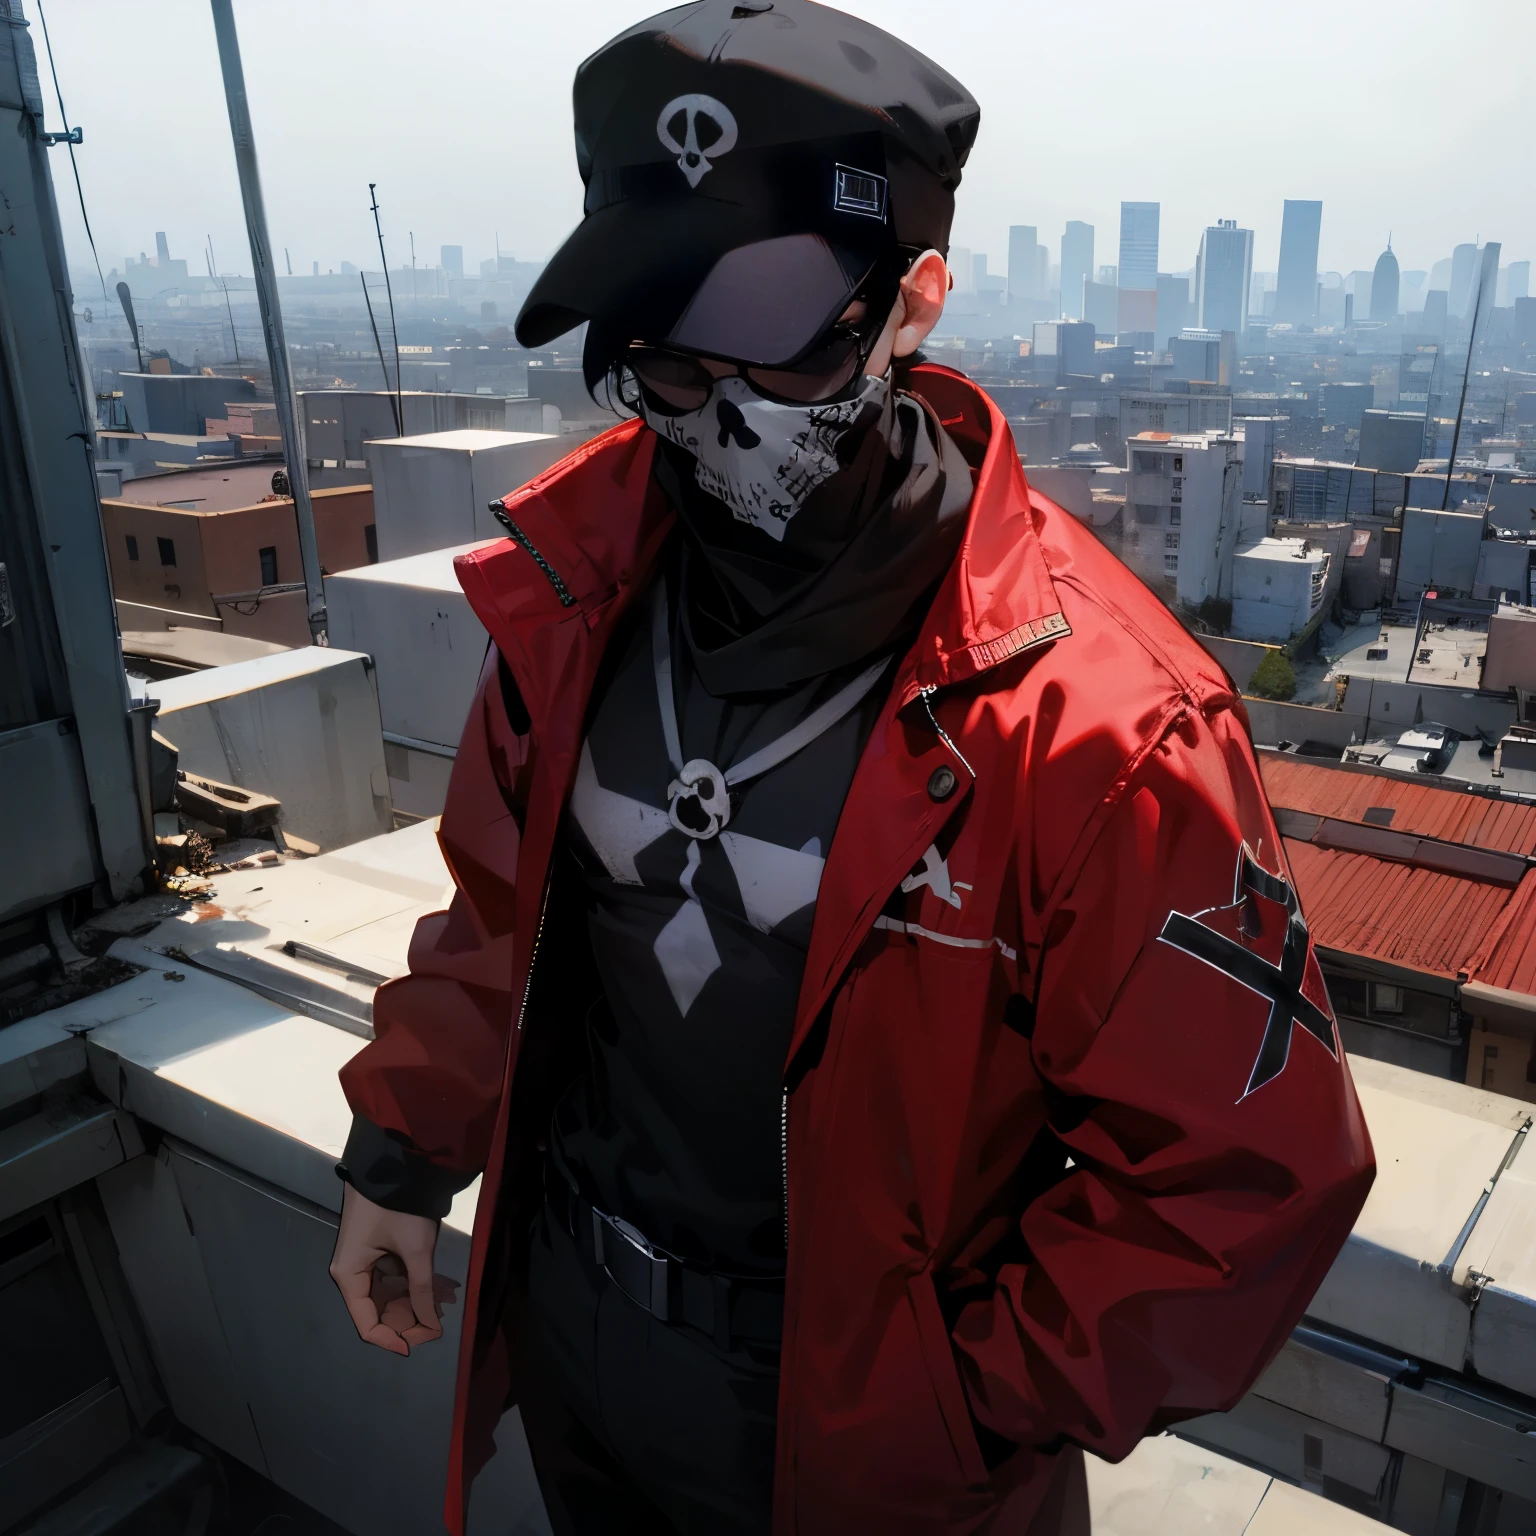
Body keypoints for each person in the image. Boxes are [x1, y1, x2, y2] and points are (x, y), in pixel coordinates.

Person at [328, 4, 1375, 1533]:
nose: (727, 413)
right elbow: (500, 918)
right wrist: (404, 1145)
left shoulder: (1097, 727)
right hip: (577, 1338)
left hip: (869, 1448)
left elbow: (1241, 1175)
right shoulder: (576, 598)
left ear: (913, 301)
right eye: (668, 365)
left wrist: (956, 1400)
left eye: (782, 345)